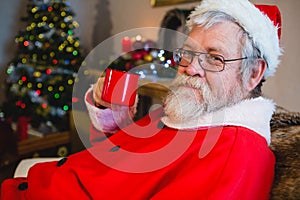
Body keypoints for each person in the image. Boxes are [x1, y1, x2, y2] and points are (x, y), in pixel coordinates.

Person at [1, 0, 282, 199]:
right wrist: (116, 117)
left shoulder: (234, 155)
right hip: (41, 181)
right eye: (188, 52)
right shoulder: (194, 109)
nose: (191, 67)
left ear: (253, 73)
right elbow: (131, 164)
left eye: (215, 57)